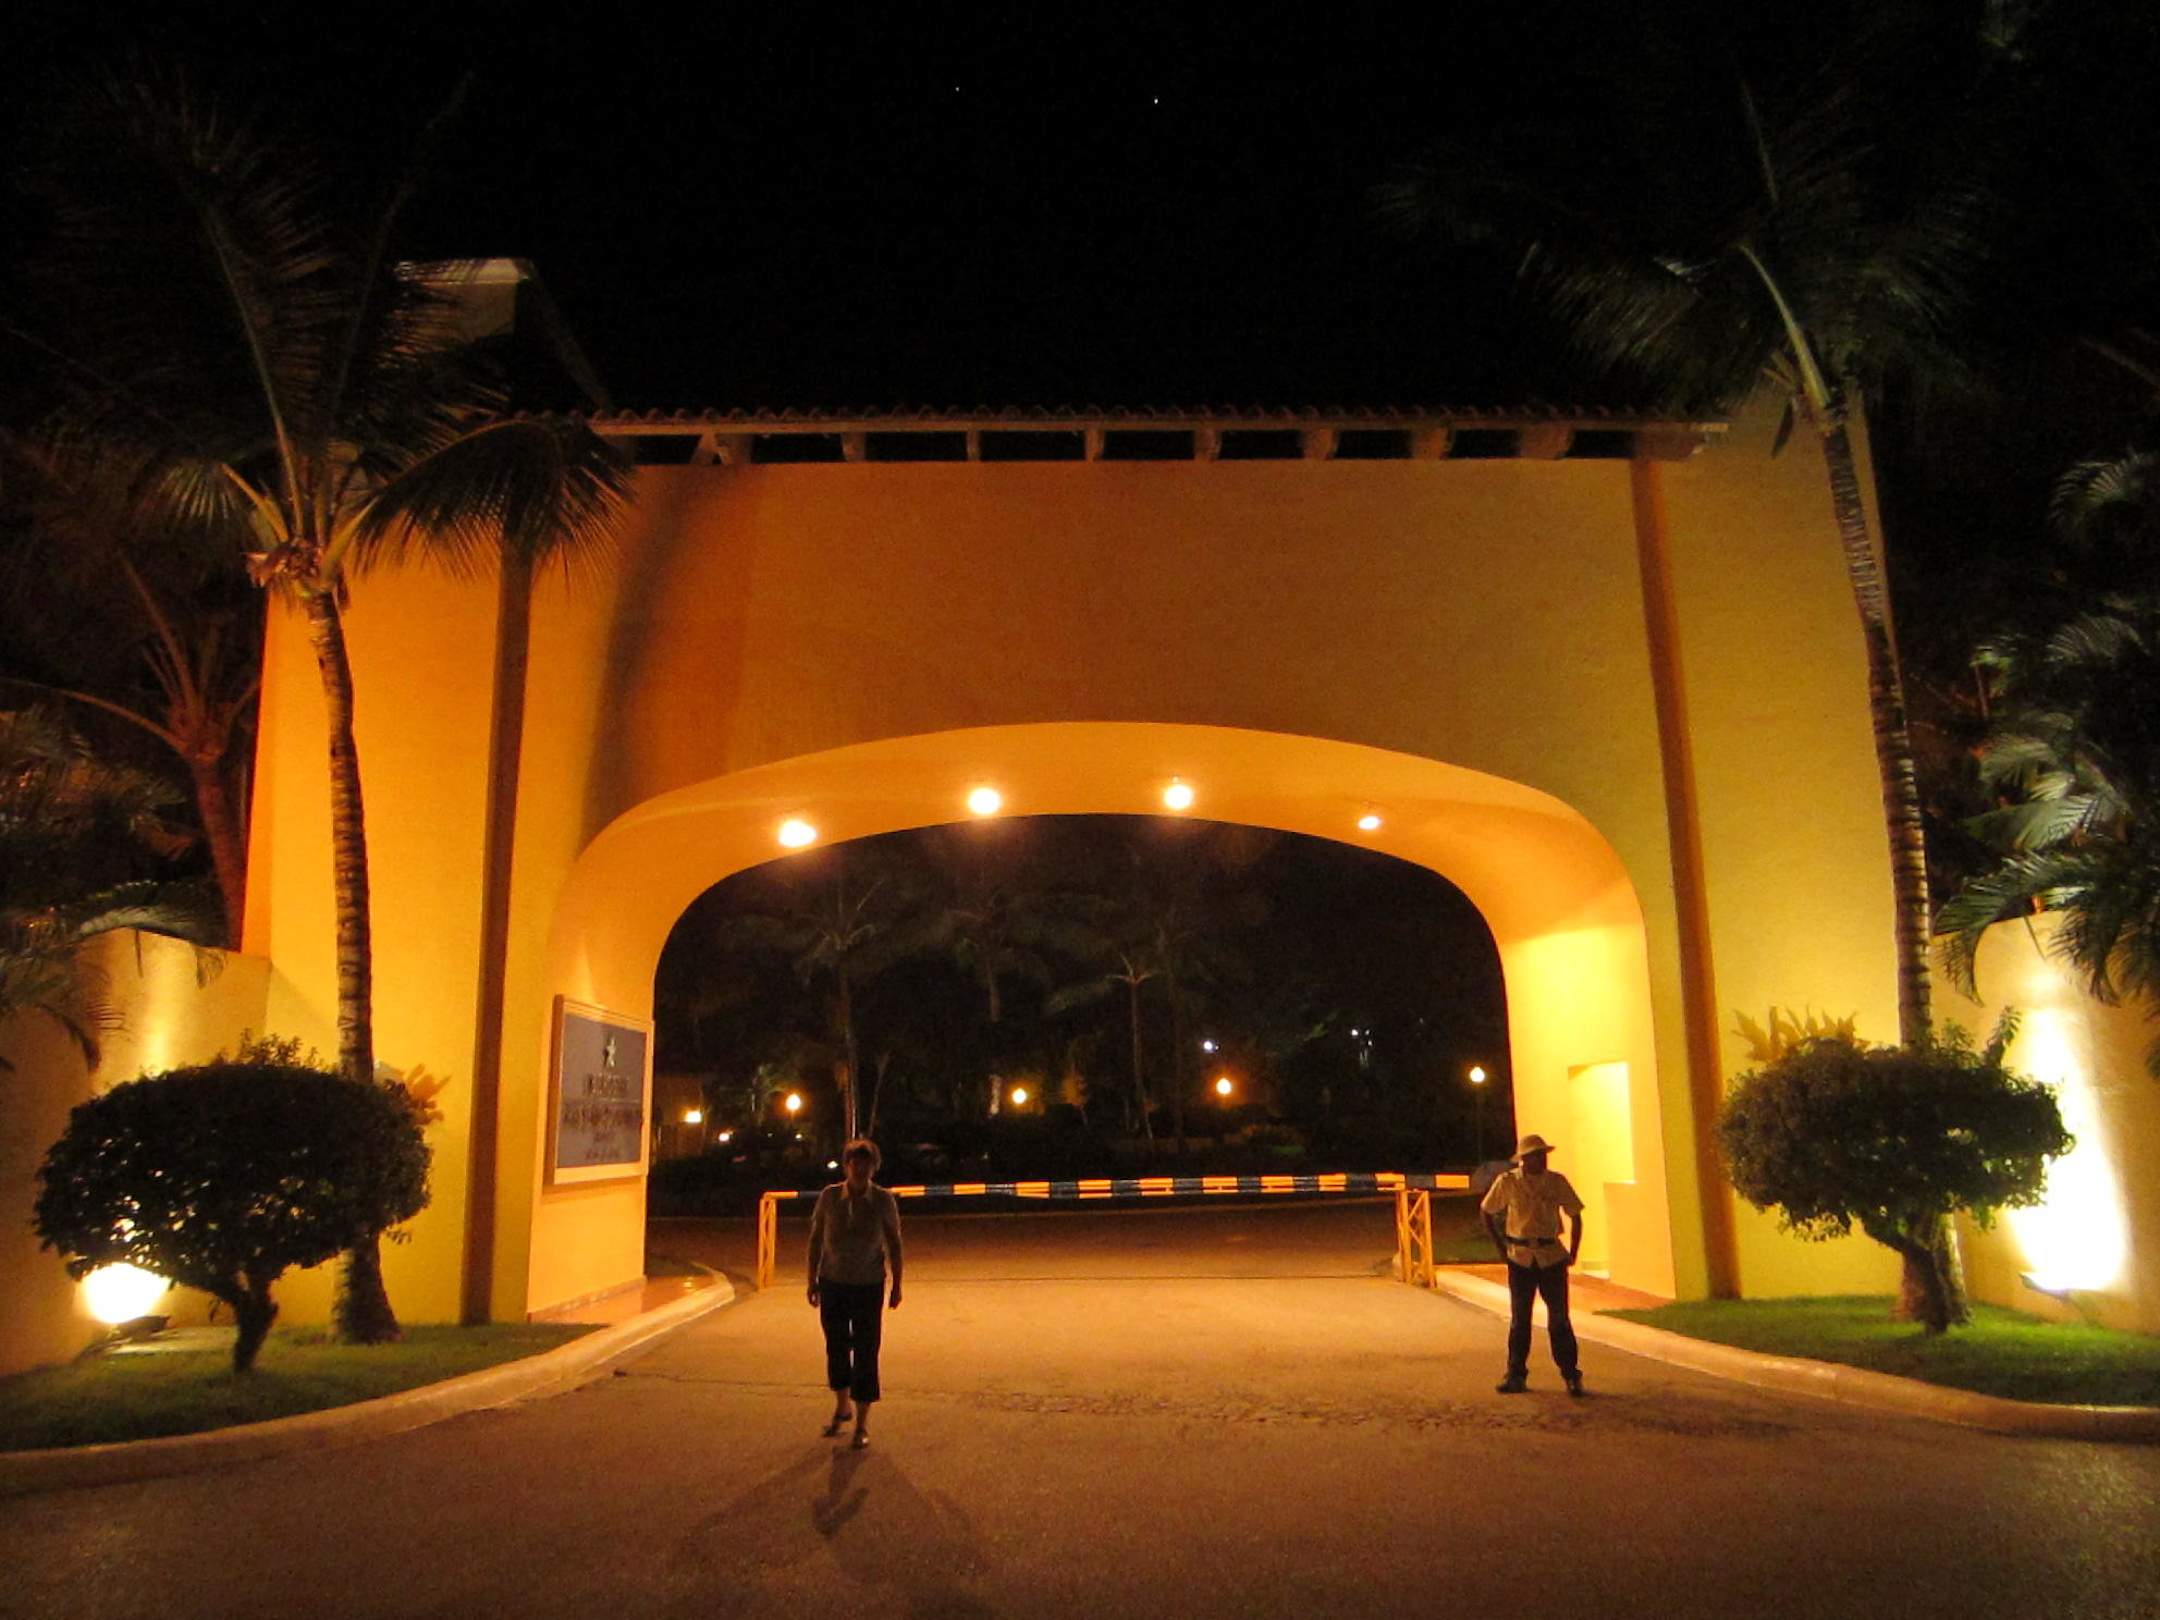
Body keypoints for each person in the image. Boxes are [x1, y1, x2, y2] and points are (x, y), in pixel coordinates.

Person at [807, 1137, 904, 1448]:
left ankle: (862, 1424)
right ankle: (842, 1406)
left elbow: (894, 1242)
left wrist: (897, 1285)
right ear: (846, 1165)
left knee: (865, 1352)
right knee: (836, 1347)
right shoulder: (830, 1196)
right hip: (833, 1283)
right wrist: (811, 1280)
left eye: (866, 1164)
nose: (859, 1169)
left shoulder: (883, 1200)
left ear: (874, 1167)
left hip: (868, 1285)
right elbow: (815, 1239)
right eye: (854, 1163)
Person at [1479, 1132, 1585, 1396]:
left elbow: (1575, 1214)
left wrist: (1573, 1252)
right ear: (1524, 1159)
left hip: (1551, 1256)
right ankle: (1515, 1374)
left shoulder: (1556, 1182)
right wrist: (1501, 1248)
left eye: (1543, 1155)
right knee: (1520, 1320)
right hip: (1520, 1257)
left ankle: (1571, 1373)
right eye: (1536, 1155)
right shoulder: (1508, 1182)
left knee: (1559, 1319)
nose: (1542, 1159)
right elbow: (1487, 1211)